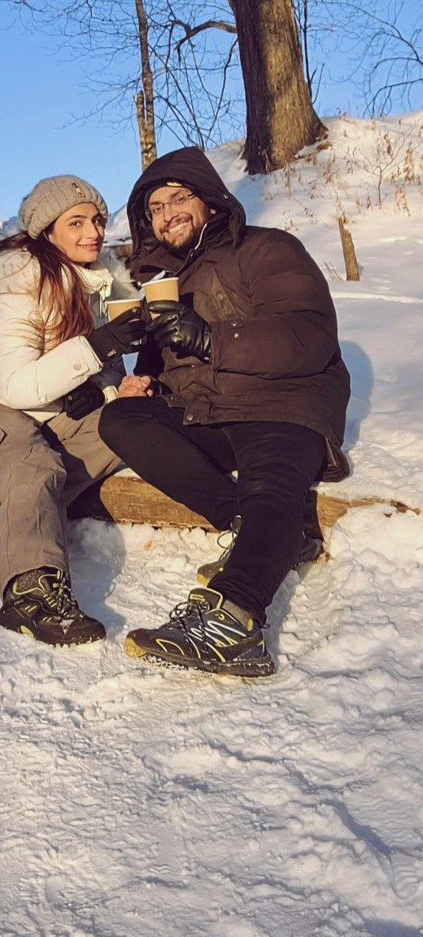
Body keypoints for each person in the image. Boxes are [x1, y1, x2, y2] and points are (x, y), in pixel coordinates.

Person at [97, 147, 350, 678]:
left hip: (284, 402)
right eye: (156, 208)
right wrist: (144, 385)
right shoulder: (161, 283)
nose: (169, 213)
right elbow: (169, 366)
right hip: (210, 412)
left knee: (274, 487)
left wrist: (213, 338)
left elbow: (310, 334)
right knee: (121, 420)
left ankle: (235, 622)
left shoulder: (266, 249)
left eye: (180, 197)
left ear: (210, 201)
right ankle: (252, 524)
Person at [0, 175, 152, 646]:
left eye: (98, 220)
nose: (93, 232)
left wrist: (114, 391)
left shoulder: (100, 283)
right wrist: (96, 347)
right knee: (34, 462)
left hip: (46, 414)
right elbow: (18, 385)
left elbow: (96, 372)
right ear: (47, 232)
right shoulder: (17, 282)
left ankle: (17, 510)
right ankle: (30, 593)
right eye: (76, 222)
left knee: (130, 423)